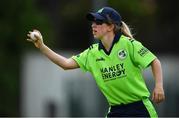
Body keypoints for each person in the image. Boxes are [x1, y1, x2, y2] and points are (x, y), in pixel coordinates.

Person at [26, 7, 165, 117]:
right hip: (116, 110)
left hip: (139, 109)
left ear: (111, 27)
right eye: (93, 22)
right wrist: (42, 47)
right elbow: (66, 64)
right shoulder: (92, 53)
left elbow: (154, 61)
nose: (93, 25)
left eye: (98, 22)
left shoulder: (129, 45)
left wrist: (158, 86)